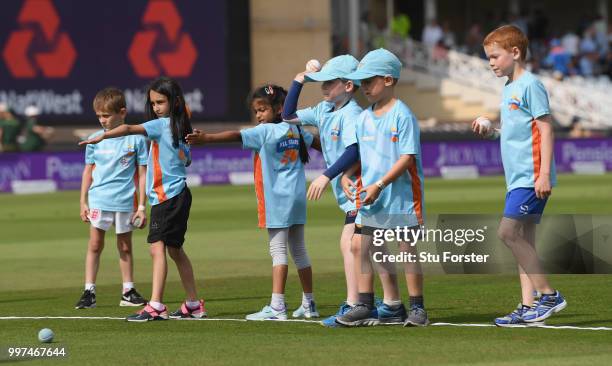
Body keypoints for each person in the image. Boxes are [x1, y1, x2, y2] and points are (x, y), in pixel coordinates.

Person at [186, 85, 318, 321]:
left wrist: (206, 138)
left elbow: (236, 135)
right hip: (297, 198)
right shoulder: (295, 130)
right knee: (299, 250)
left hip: (276, 200)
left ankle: (277, 306)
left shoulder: (265, 131)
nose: (258, 116)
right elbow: (318, 142)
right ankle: (309, 304)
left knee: (278, 252)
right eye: (256, 111)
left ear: (279, 109)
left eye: (262, 110)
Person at [80, 78, 206, 321]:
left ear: (174, 102)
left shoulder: (161, 125)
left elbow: (128, 129)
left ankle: (156, 305)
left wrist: (102, 137)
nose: (156, 107)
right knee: (175, 250)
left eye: (160, 102)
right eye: (153, 103)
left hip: (166, 196)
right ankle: (193, 304)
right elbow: (186, 160)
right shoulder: (182, 128)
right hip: (179, 194)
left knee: (156, 248)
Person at [473, 25, 566, 327]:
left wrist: (543, 175)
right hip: (516, 180)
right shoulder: (509, 88)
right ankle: (529, 306)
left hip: (530, 177)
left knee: (507, 233)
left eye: (494, 56)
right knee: (524, 242)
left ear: (515, 53)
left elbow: (545, 129)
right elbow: (516, 133)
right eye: (488, 57)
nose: (490, 63)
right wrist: (491, 132)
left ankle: (549, 295)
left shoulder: (531, 85)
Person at [330, 48, 429, 327]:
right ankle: (365, 303)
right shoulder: (363, 118)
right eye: (361, 83)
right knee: (362, 246)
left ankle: (417, 308)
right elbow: (359, 155)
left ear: (388, 80)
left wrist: (380, 184)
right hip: (370, 195)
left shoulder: (403, 115)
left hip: (401, 196)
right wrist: (346, 176)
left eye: (369, 81)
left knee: (406, 248)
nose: (364, 88)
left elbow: (407, 157)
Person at [281, 55, 363, 326]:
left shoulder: (353, 113)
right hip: (349, 191)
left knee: (351, 245)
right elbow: (288, 115)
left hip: (361, 187)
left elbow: (354, 150)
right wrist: (299, 79)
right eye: (322, 83)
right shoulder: (322, 109)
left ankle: (357, 304)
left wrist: (326, 176)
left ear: (349, 86)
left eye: (330, 82)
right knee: (355, 246)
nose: (324, 87)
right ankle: (364, 304)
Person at [75, 87, 148, 309]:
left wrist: (142, 206)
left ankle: (128, 291)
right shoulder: (94, 139)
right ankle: (89, 291)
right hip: (99, 200)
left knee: (125, 246)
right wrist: (83, 201)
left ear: (122, 112)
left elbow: (143, 173)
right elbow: (88, 171)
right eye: (99, 116)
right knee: (95, 244)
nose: (102, 120)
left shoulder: (136, 139)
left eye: (106, 115)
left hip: (126, 200)